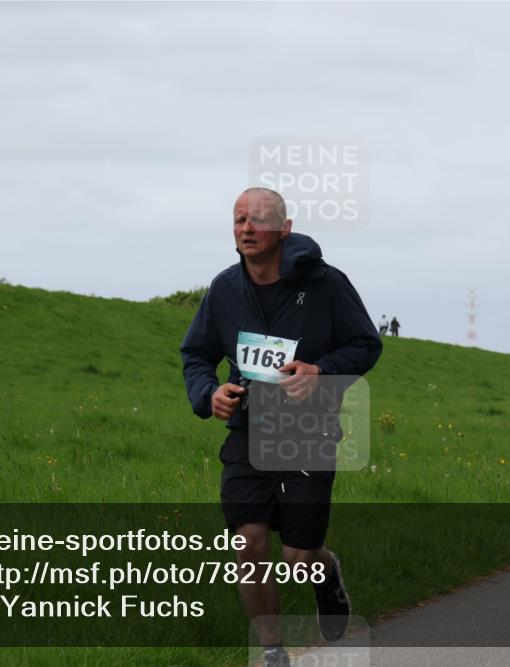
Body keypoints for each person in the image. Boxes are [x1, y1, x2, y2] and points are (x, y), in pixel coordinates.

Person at [180, 187, 382, 666]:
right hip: (248, 435)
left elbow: (366, 345)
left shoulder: (327, 285)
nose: (246, 229)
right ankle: (272, 651)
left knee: (298, 559)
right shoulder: (225, 289)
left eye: (258, 220)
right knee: (248, 541)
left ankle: (327, 573)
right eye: (238, 220)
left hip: (307, 436)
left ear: (285, 228)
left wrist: (322, 370)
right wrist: (209, 394)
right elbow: (196, 354)